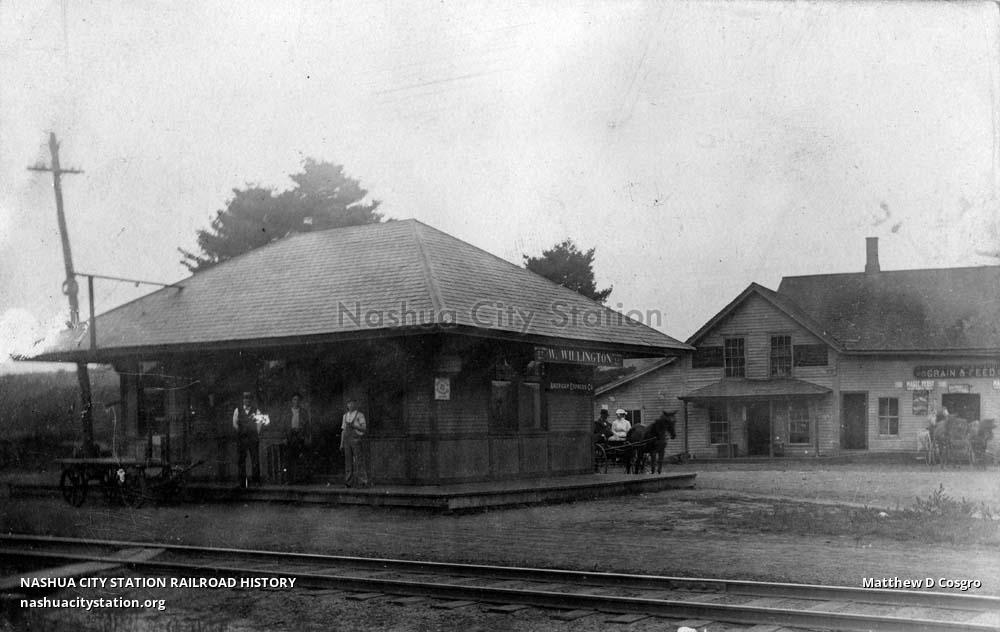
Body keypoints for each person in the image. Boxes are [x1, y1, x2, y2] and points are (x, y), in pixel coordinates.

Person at [280, 392, 312, 484]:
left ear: (300, 401)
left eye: (298, 400)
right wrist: (284, 437)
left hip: (300, 436)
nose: (296, 401)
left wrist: (306, 437)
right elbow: (283, 426)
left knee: (301, 458)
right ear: (291, 401)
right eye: (294, 399)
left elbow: (307, 426)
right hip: (290, 436)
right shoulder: (287, 412)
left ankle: (301, 480)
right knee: (289, 459)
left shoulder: (303, 412)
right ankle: (289, 480)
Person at [232, 391, 262, 487]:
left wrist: (254, 433)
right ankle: (242, 482)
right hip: (242, 439)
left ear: (251, 400)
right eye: (245, 398)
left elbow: (259, 424)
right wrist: (241, 432)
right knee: (241, 460)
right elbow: (235, 423)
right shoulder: (237, 410)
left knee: (255, 460)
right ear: (243, 400)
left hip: (253, 438)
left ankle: (256, 481)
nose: (247, 400)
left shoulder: (256, 410)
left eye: (249, 399)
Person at [340, 399, 369, 487]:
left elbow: (364, 428)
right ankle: (348, 482)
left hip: (356, 439)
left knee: (359, 461)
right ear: (347, 405)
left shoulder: (359, 415)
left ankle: (362, 481)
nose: (351, 405)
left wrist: (355, 426)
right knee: (348, 462)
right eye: (349, 403)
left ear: (355, 404)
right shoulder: (345, 416)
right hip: (347, 440)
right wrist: (341, 443)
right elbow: (343, 431)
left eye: (352, 403)